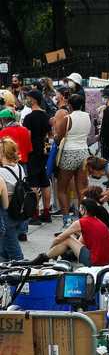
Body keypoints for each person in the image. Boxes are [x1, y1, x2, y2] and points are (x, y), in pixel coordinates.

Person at [30, 198, 109, 267]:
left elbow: (60, 238)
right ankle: (48, 257)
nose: (79, 210)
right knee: (69, 239)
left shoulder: (82, 222)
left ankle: (43, 257)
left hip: (94, 261)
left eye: (80, 208)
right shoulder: (98, 221)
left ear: (84, 210)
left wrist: (51, 249)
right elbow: (79, 243)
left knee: (67, 239)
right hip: (106, 261)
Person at [55, 94, 91, 228]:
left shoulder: (67, 118)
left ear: (70, 105)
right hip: (83, 152)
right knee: (82, 188)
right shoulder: (88, 117)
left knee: (62, 188)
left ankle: (67, 220)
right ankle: (83, 217)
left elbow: (59, 137)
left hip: (69, 153)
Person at [22, 90, 52, 223]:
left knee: (33, 182)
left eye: (28, 98)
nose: (26, 100)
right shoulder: (45, 115)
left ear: (33, 100)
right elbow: (49, 134)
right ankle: (46, 212)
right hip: (43, 151)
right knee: (44, 181)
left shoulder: (29, 118)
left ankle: (34, 213)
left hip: (33, 151)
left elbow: (27, 136)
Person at [0, 138, 25, 260]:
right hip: (19, 212)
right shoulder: (20, 168)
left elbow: (4, 202)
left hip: (7, 214)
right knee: (4, 248)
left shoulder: (1, 172)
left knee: (15, 253)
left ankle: (23, 273)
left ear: (2, 154)